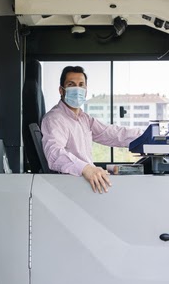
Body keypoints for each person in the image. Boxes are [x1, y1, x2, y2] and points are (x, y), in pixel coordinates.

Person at [41, 65, 141, 193]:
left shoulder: (84, 118)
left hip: (84, 183)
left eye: (81, 85)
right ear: (61, 90)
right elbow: (54, 153)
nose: (77, 89)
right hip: (72, 185)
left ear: (86, 91)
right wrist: (86, 168)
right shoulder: (55, 119)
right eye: (71, 84)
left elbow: (111, 134)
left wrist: (145, 137)